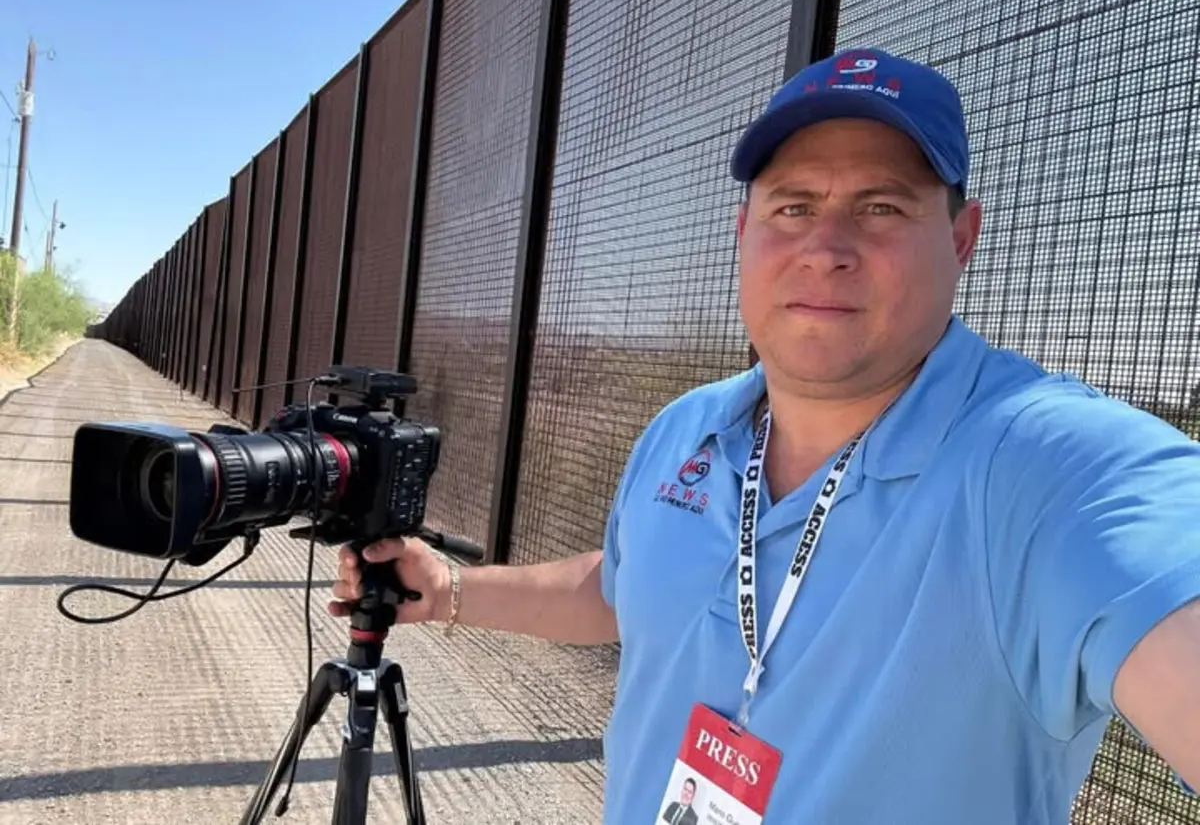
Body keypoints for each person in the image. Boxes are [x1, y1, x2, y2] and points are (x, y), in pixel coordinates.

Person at [329, 47, 1200, 823]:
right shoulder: (688, 429)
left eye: (882, 207)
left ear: (962, 239)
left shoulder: (1052, 470)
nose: (825, 246)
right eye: (791, 206)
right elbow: (629, 588)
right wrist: (451, 590)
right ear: (744, 233)